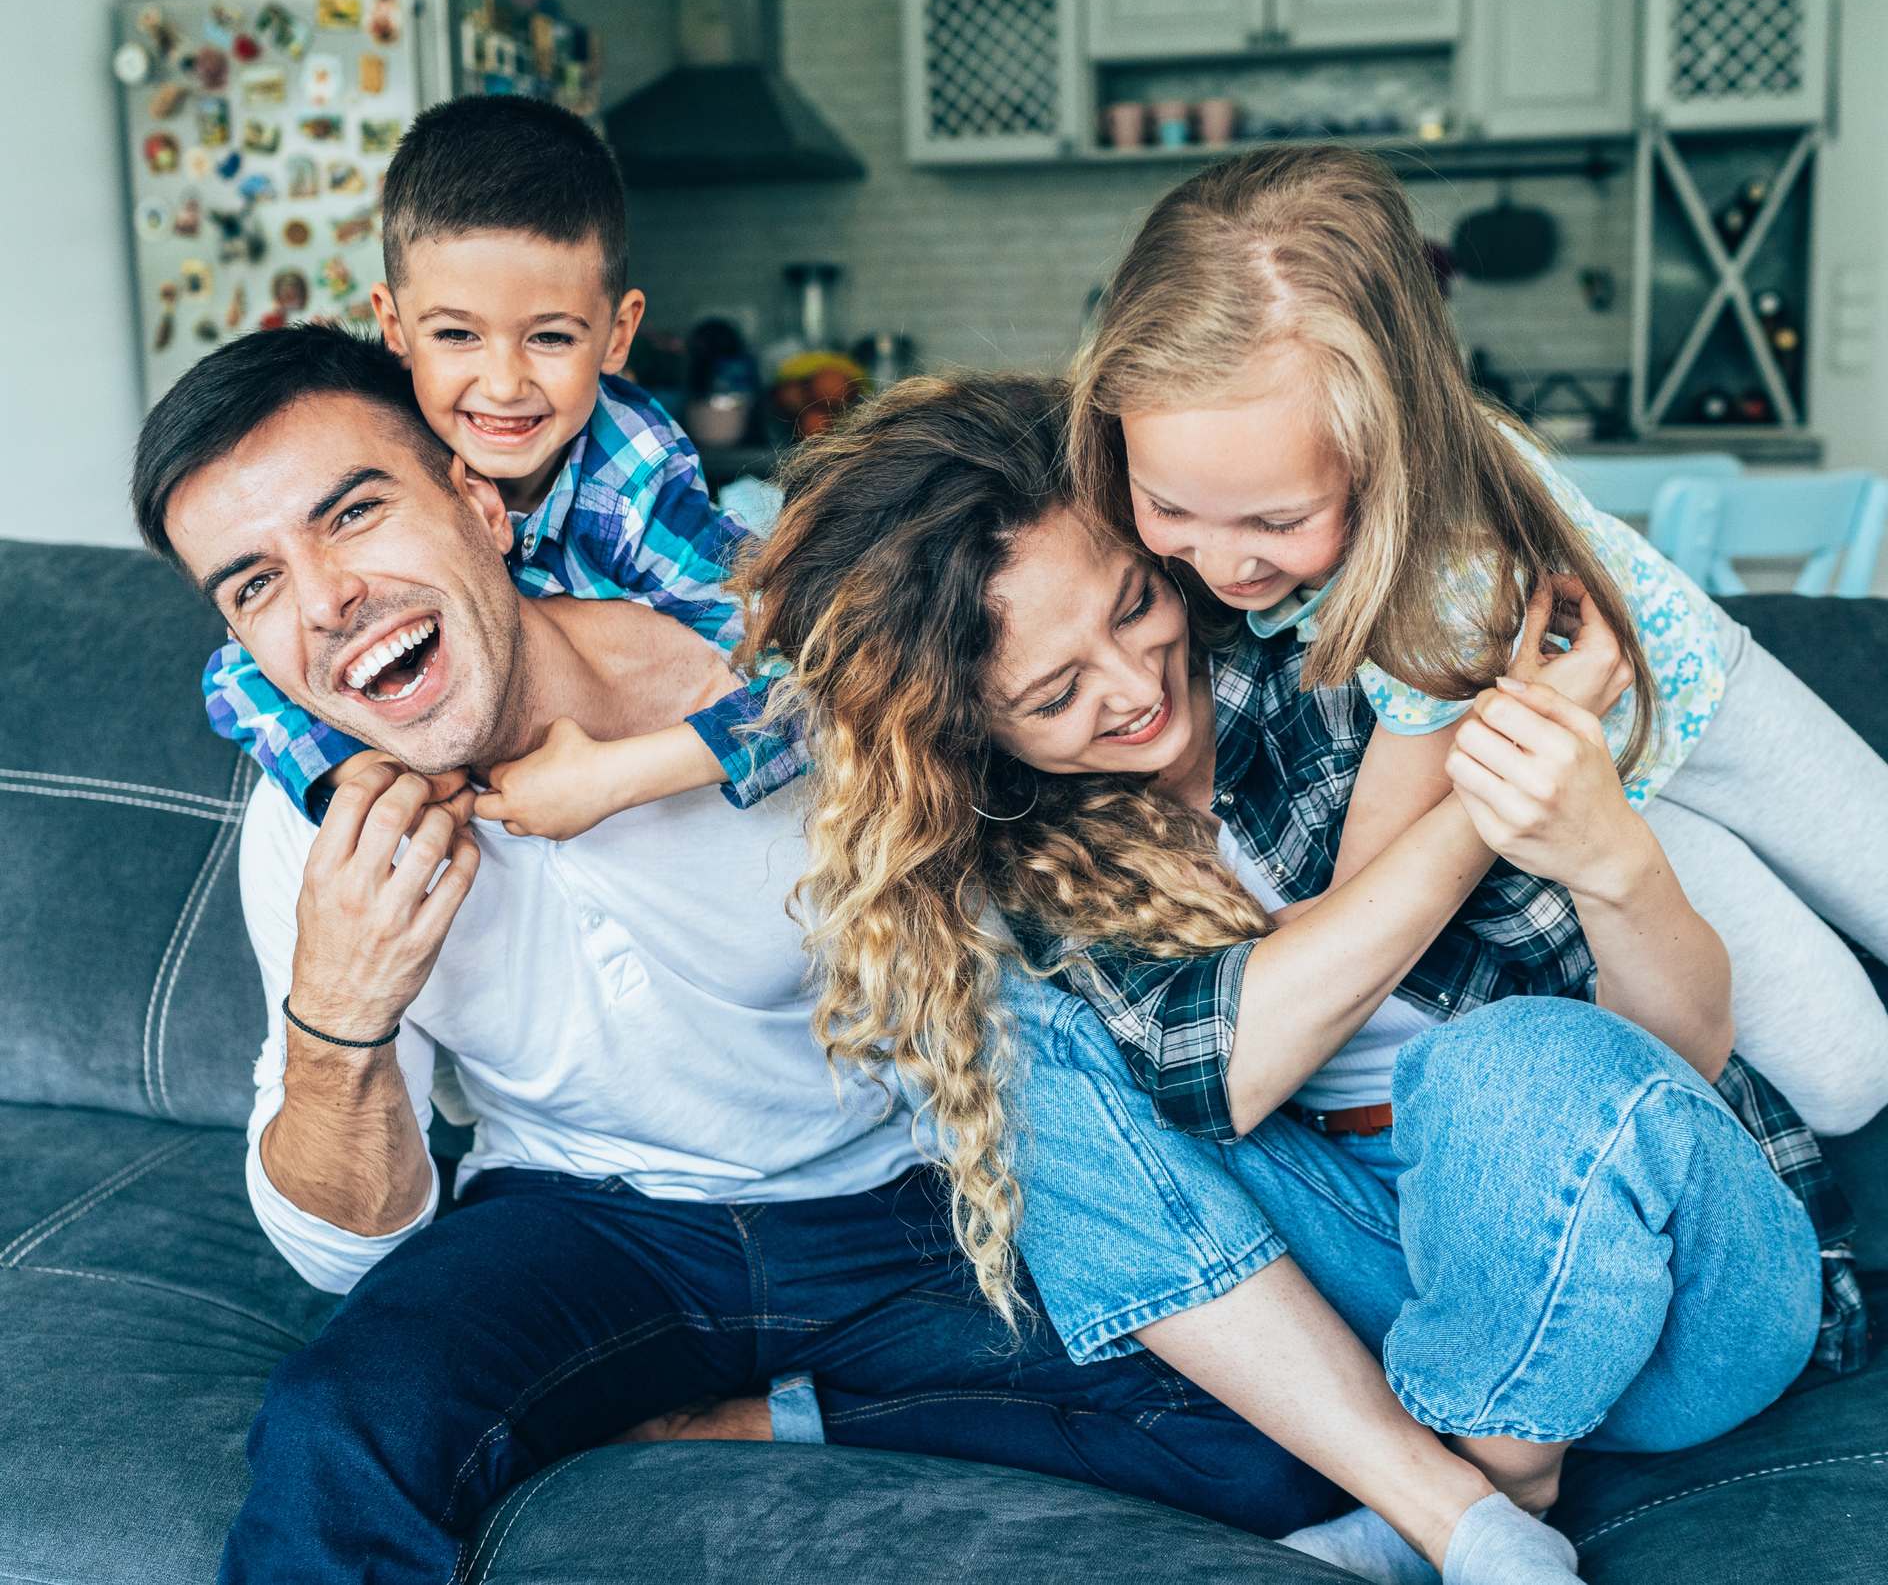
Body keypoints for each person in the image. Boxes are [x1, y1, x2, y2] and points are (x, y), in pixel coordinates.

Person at [133, 326, 1371, 1585]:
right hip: (586, 1221)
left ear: (477, 501)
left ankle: (776, 1411)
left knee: (1277, 1439)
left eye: (352, 515)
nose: (325, 598)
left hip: (906, 1199)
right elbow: (342, 1252)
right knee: (343, 1422)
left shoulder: (775, 675)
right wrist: (340, 1013)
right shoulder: (315, 817)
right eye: (255, 584)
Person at [724, 373, 1848, 1583]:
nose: (1133, 682)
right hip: (1393, 1277)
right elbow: (1226, 1074)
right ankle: (1449, 1510)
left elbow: (1675, 1055)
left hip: (1680, 1289)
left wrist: (1549, 805)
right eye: (1053, 694)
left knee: (1502, 1065)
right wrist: (1479, 801)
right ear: (971, 734)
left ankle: (1489, 1484)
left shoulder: (1355, 660)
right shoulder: (1036, 855)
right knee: (1003, 1045)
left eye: (1136, 602)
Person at [1069, 144, 1888, 1137]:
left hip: (1705, 708)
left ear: (1390, 446)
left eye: (1277, 522)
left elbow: (1370, 877)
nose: (1222, 564)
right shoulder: (1167, 527)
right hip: (1610, 782)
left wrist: (1279, 950)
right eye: (1171, 507)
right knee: (1849, 1075)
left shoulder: (1450, 556)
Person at [199, 93, 784, 828]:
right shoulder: (382, 453)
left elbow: (815, 687)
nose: (504, 386)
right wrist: (357, 768)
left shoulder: (634, 485)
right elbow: (238, 675)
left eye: (550, 338)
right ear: (394, 326)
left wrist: (610, 780)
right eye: (455, 335)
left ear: (617, 333)